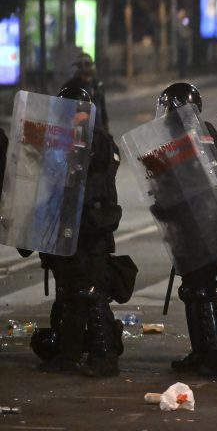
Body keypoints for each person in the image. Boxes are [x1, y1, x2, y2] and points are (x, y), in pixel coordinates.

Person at [152, 83, 217, 377]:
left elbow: (184, 184)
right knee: (193, 289)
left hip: (197, 222)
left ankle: (216, 354)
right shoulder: (206, 131)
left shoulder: (187, 138)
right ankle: (201, 351)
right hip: (206, 221)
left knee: (203, 289)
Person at [39, 86, 123, 377]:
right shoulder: (69, 139)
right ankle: (69, 353)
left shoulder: (96, 140)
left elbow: (96, 169)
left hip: (91, 228)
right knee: (73, 292)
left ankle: (105, 356)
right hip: (69, 226)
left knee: (91, 292)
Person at [62, 54, 109, 133]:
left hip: (97, 131)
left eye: (87, 65)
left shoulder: (98, 85)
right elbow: (61, 113)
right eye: (81, 66)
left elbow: (103, 111)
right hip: (78, 132)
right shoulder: (70, 87)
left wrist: (106, 133)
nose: (85, 69)